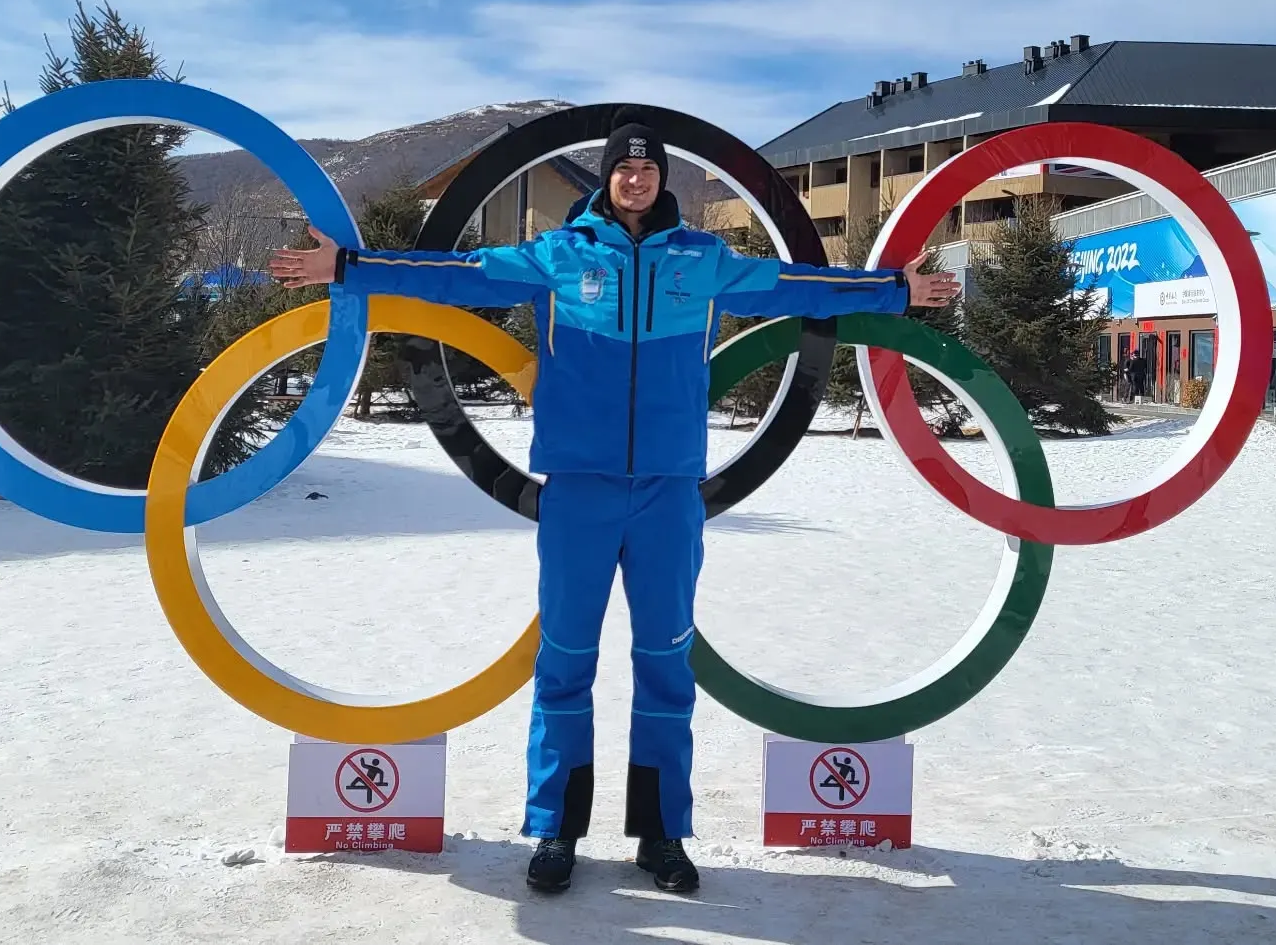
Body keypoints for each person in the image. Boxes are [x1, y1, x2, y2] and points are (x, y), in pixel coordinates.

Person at [269, 110, 960, 895]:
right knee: (565, 661)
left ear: (664, 177)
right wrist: (349, 267)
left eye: (649, 167)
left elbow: (797, 284)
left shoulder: (702, 260)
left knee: (665, 662)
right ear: (607, 177)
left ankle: (661, 833)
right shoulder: (559, 256)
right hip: (580, 489)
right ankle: (556, 828)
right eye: (623, 168)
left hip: (667, 491)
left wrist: (895, 289)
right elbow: (454, 276)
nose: (636, 178)